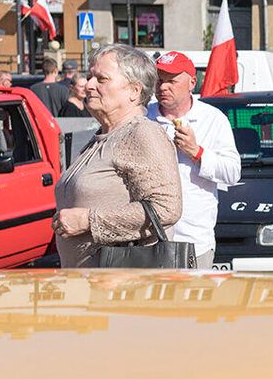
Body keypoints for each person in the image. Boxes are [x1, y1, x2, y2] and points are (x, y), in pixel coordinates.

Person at [52, 44, 182, 268]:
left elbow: (166, 208)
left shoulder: (142, 133)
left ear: (134, 91)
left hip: (121, 287)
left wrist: (87, 220)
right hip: (89, 285)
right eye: (90, 76)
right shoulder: (103, 135)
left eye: (101, 79)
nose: (89, 85)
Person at [147, 51, 242, 269]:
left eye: (171, 81)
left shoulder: (213, 119)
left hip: (193, 239)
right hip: (148, 239)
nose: (163, 87)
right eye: (159, 81)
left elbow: (232, 172)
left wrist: (196, 152)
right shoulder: (144, 117)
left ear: (192, 82)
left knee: (193, 301)